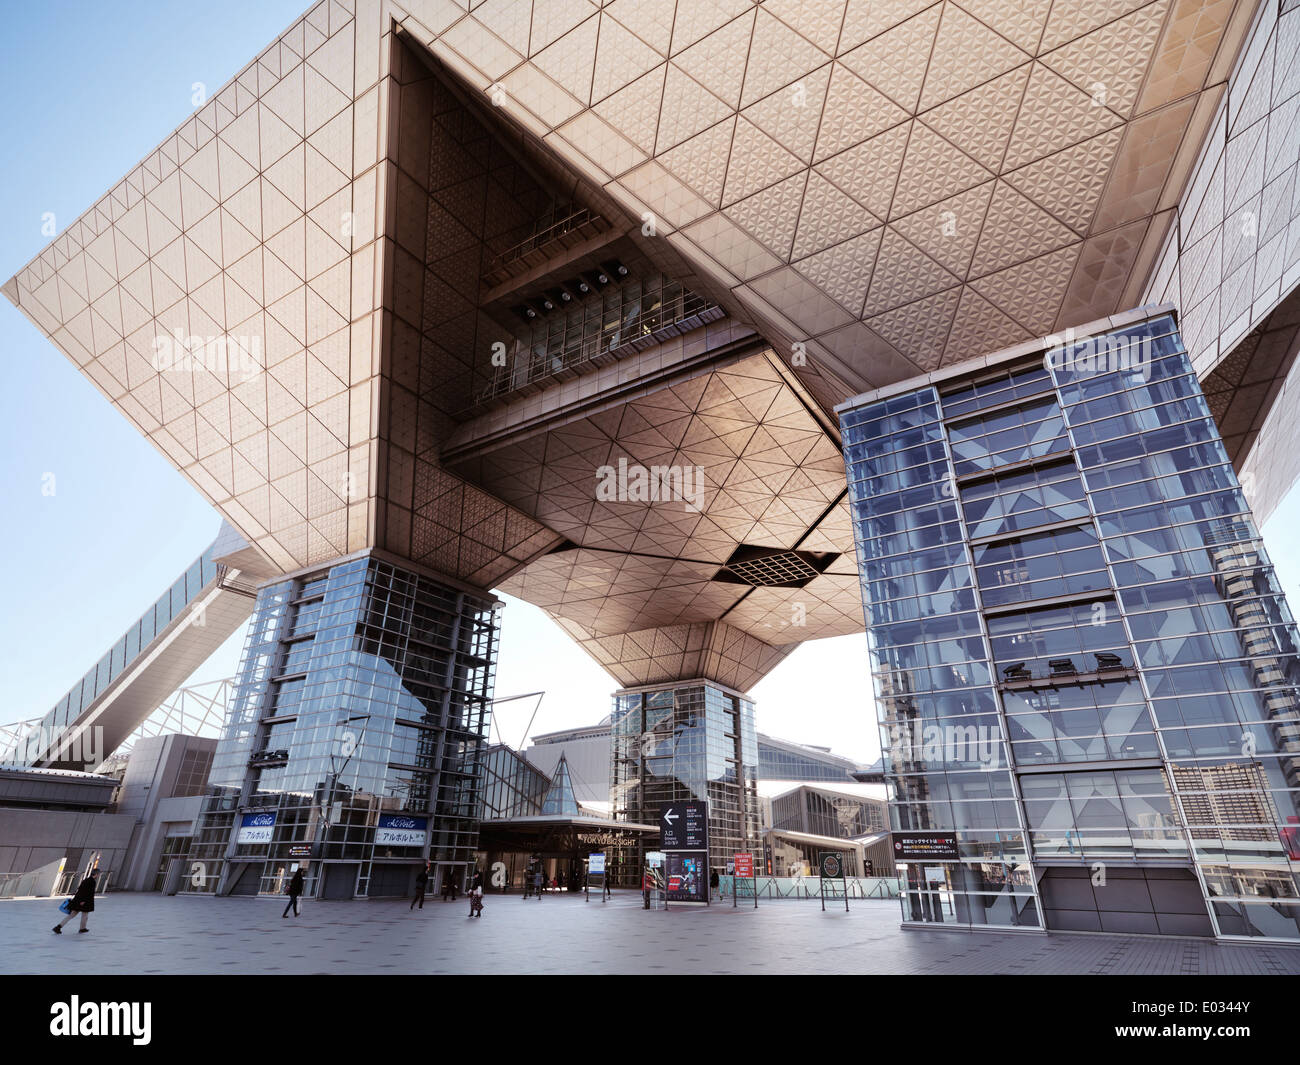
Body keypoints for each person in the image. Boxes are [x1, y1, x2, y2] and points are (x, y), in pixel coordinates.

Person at [53, 867, 97, 934]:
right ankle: (82, 928)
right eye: (98, 874)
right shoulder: (92, 881)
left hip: (77, 900)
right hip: (84, 901)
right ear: (96, 874)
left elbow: (79, 889)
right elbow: (88, 892)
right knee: (84, 915)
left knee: (72, 915)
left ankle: (58, 927)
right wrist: (83, 901)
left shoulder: (86, 880)